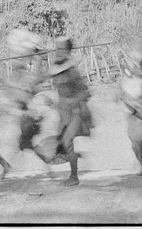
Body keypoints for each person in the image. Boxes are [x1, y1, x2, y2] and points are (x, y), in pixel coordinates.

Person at [43, 37, 94, 186]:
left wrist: (72, 103)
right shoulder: (56, 70)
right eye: (57, 48)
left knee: (66, 141)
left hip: (76, 111)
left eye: (62, 49)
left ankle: (74, 177)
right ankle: (75, 159)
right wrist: (53, 102)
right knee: (62, 143)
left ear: (67, 51)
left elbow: (86, 93)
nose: (58, 51)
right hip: (63, 112)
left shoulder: (72, 71)